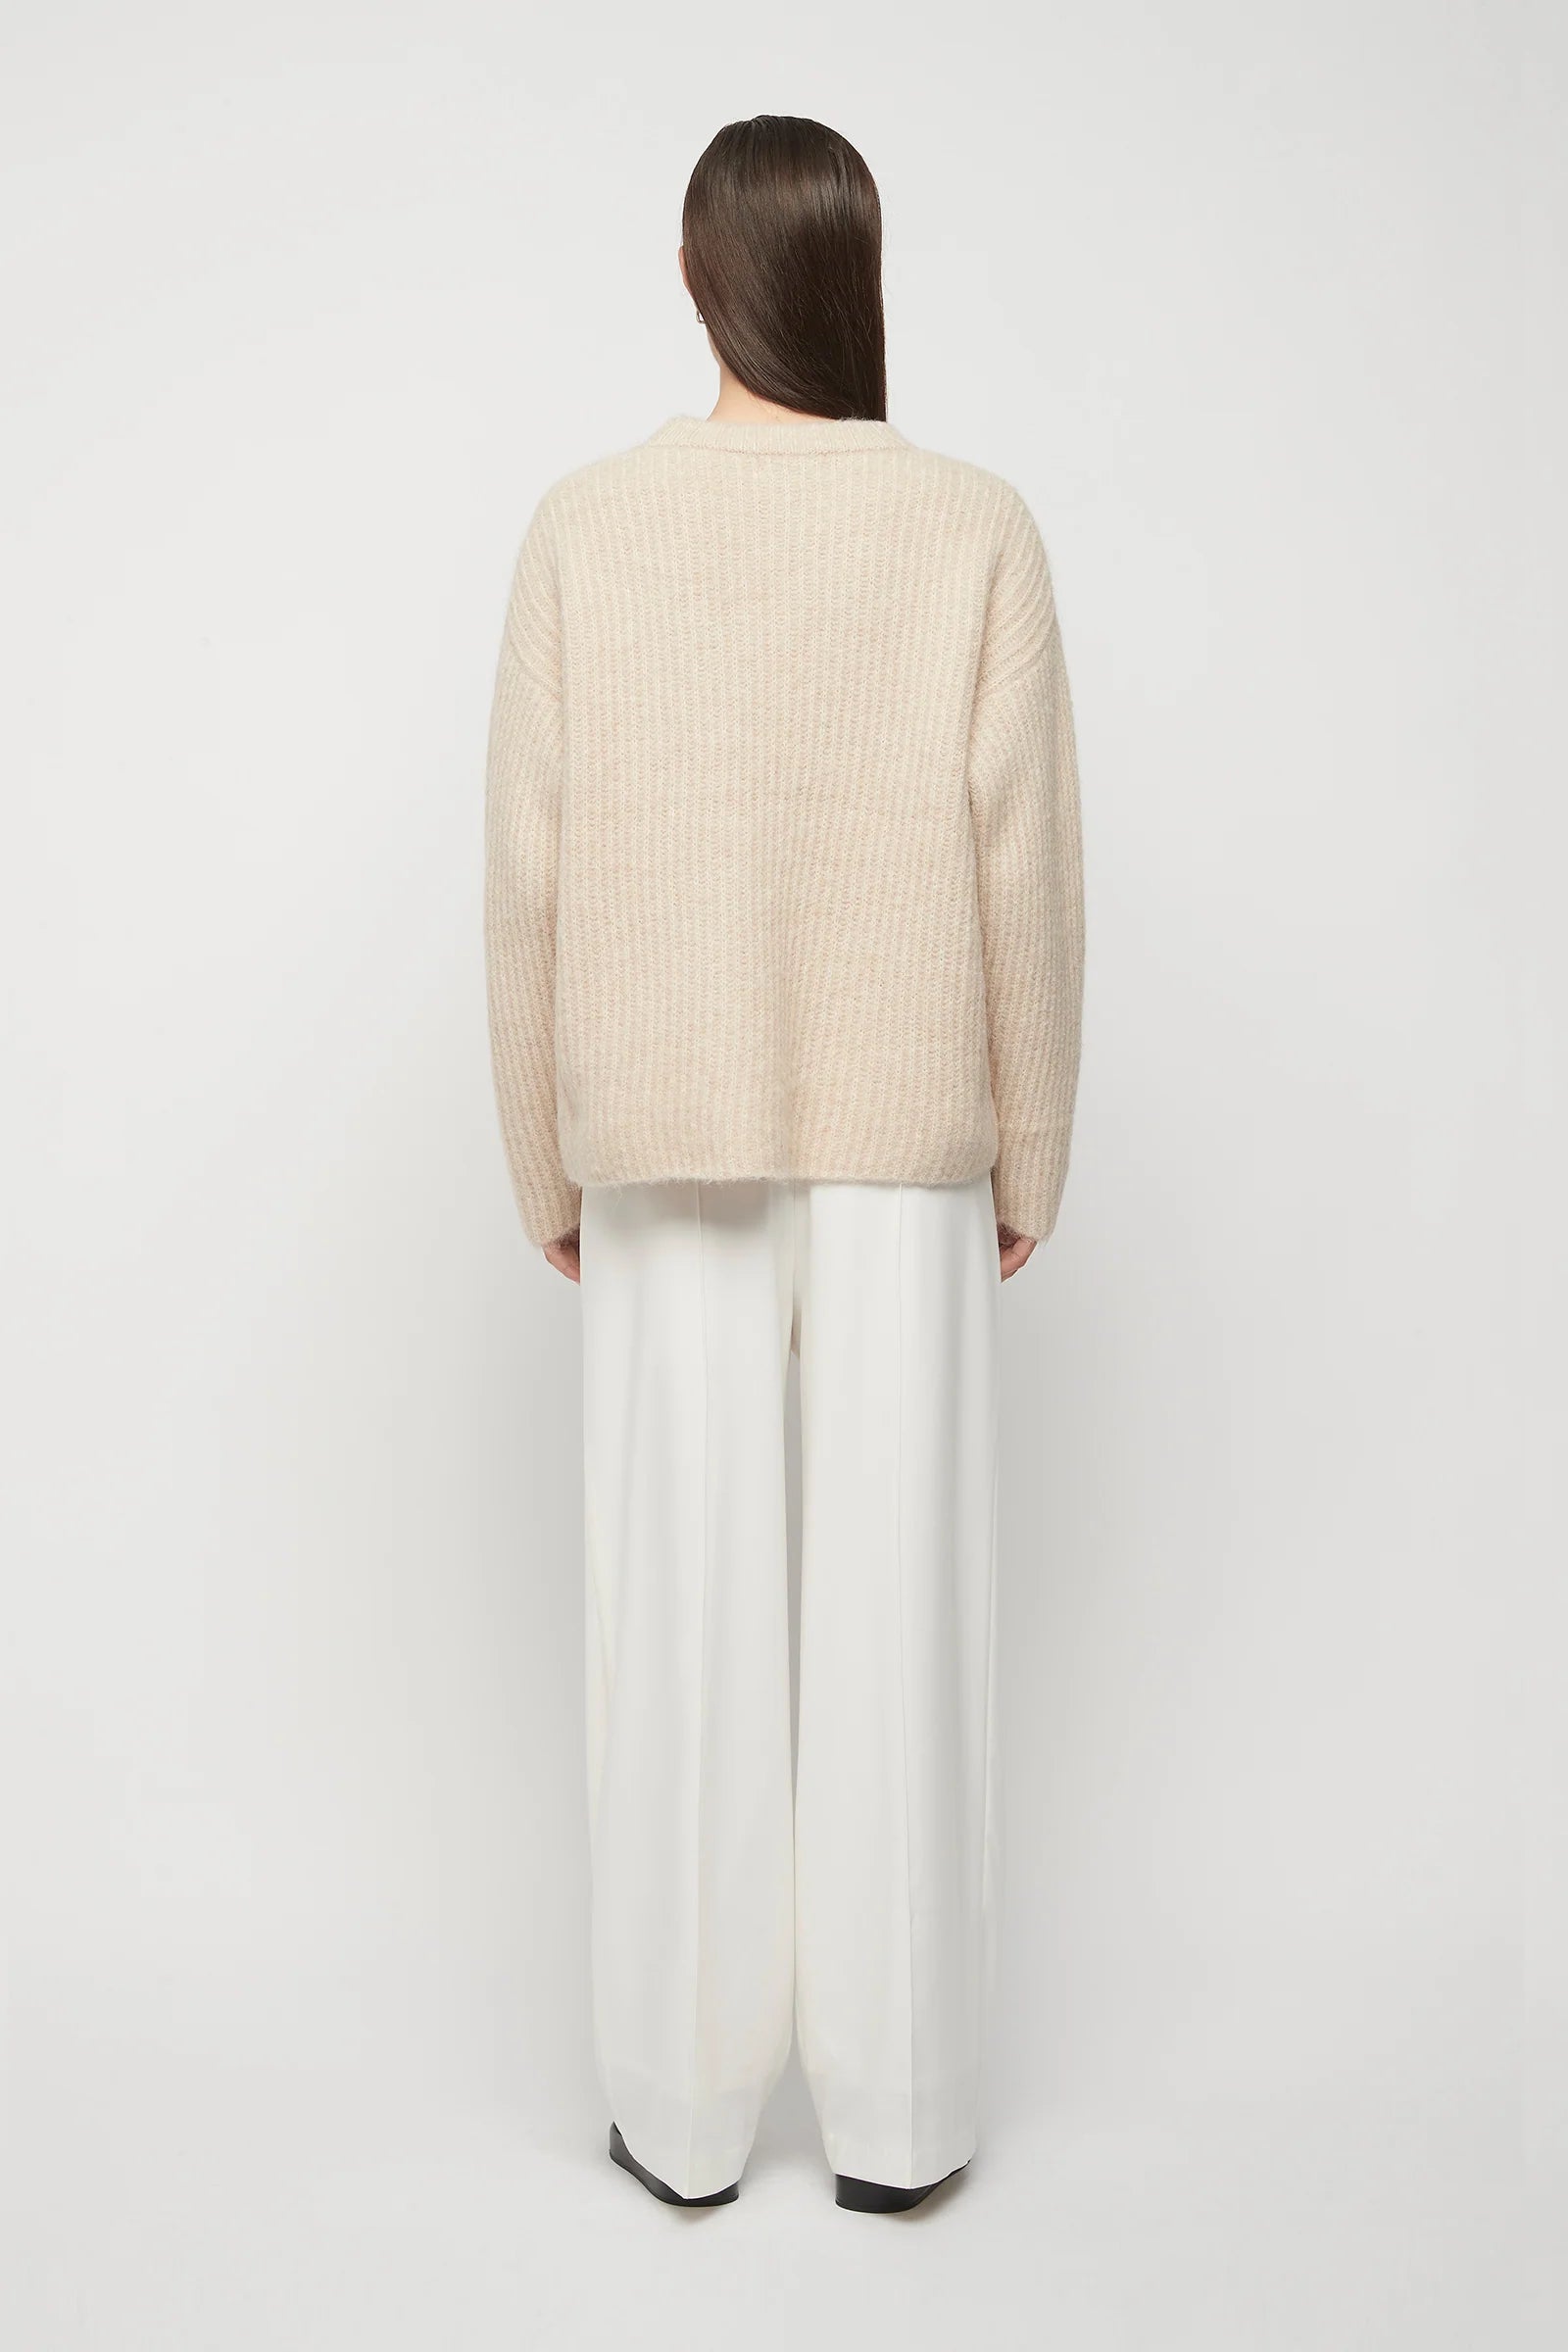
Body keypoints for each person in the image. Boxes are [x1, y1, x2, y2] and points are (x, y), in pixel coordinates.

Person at [484, 114, 1084, 2215]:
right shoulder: (971, 527)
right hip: (904, 1132)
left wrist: (543, 1163)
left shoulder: (586, 530)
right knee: (903, 1611)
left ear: (694, 275)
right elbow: (1026, 871)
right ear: (853, 272)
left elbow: (526, 877)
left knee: (677, 1615)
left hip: (661, 1131)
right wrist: (1030, 1141)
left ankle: (679, 2112)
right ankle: (902, 2124)